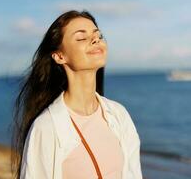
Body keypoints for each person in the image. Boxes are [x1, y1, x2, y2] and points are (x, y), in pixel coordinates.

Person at [10, 10, 142, 179]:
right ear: (59, 56)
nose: (96, 40)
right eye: (81, 38)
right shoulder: (46, 127)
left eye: (98, 35)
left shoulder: (119, 115)